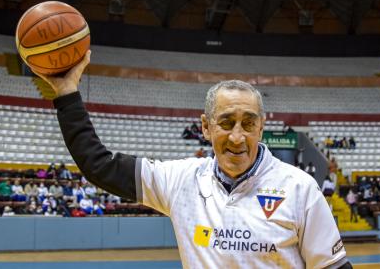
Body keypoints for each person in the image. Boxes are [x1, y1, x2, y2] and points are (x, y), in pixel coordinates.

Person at [35, 52, 351, 268]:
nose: (238, 137)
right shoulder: (181, 180)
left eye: (249, 123)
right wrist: (66, 93)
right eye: (226, 122)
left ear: (262, 126)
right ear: (205, 126)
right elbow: (99, 166)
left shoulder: (299, 188)